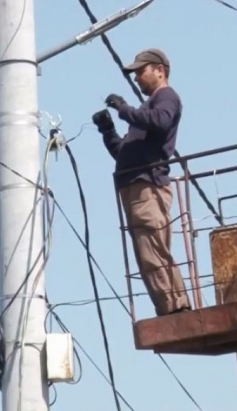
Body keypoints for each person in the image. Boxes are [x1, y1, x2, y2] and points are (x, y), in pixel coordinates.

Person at [92, 48, 192, 316]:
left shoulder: (166, 98)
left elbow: (160, 122)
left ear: (160, 70)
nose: (137, 78)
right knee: (147, 251)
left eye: (140, 71)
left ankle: (175, 306)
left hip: (148, 186)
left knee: (152, 250)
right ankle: (170, 305)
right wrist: (108, 130)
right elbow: (124, 151)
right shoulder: (146, 111)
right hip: (136, 186)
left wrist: (125, 109)